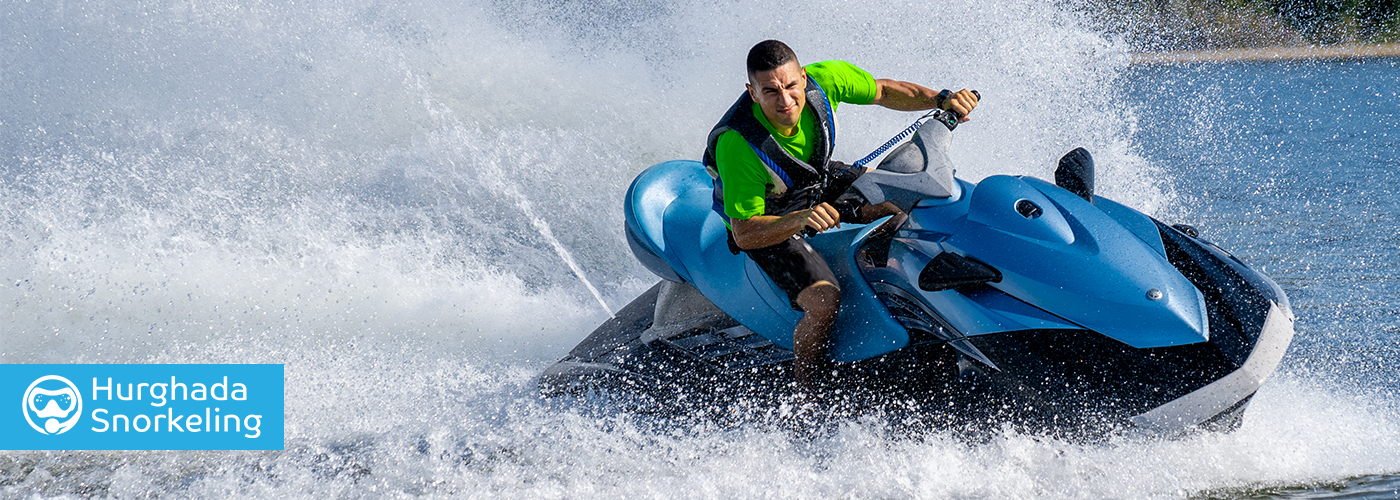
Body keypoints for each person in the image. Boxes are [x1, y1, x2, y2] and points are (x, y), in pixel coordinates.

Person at [702, 39, 978, 397]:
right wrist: (801, 219)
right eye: (770, 92)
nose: (785, 101)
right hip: (769, 219)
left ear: (804, 77)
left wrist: (940, 99)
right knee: (824, 301)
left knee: (908, 201)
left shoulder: (827, 79)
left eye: (790, 86)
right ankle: (807, 396)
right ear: (752, 92)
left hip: (813, 182)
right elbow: (744, 233)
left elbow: (883, 90)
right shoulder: (739, 145)